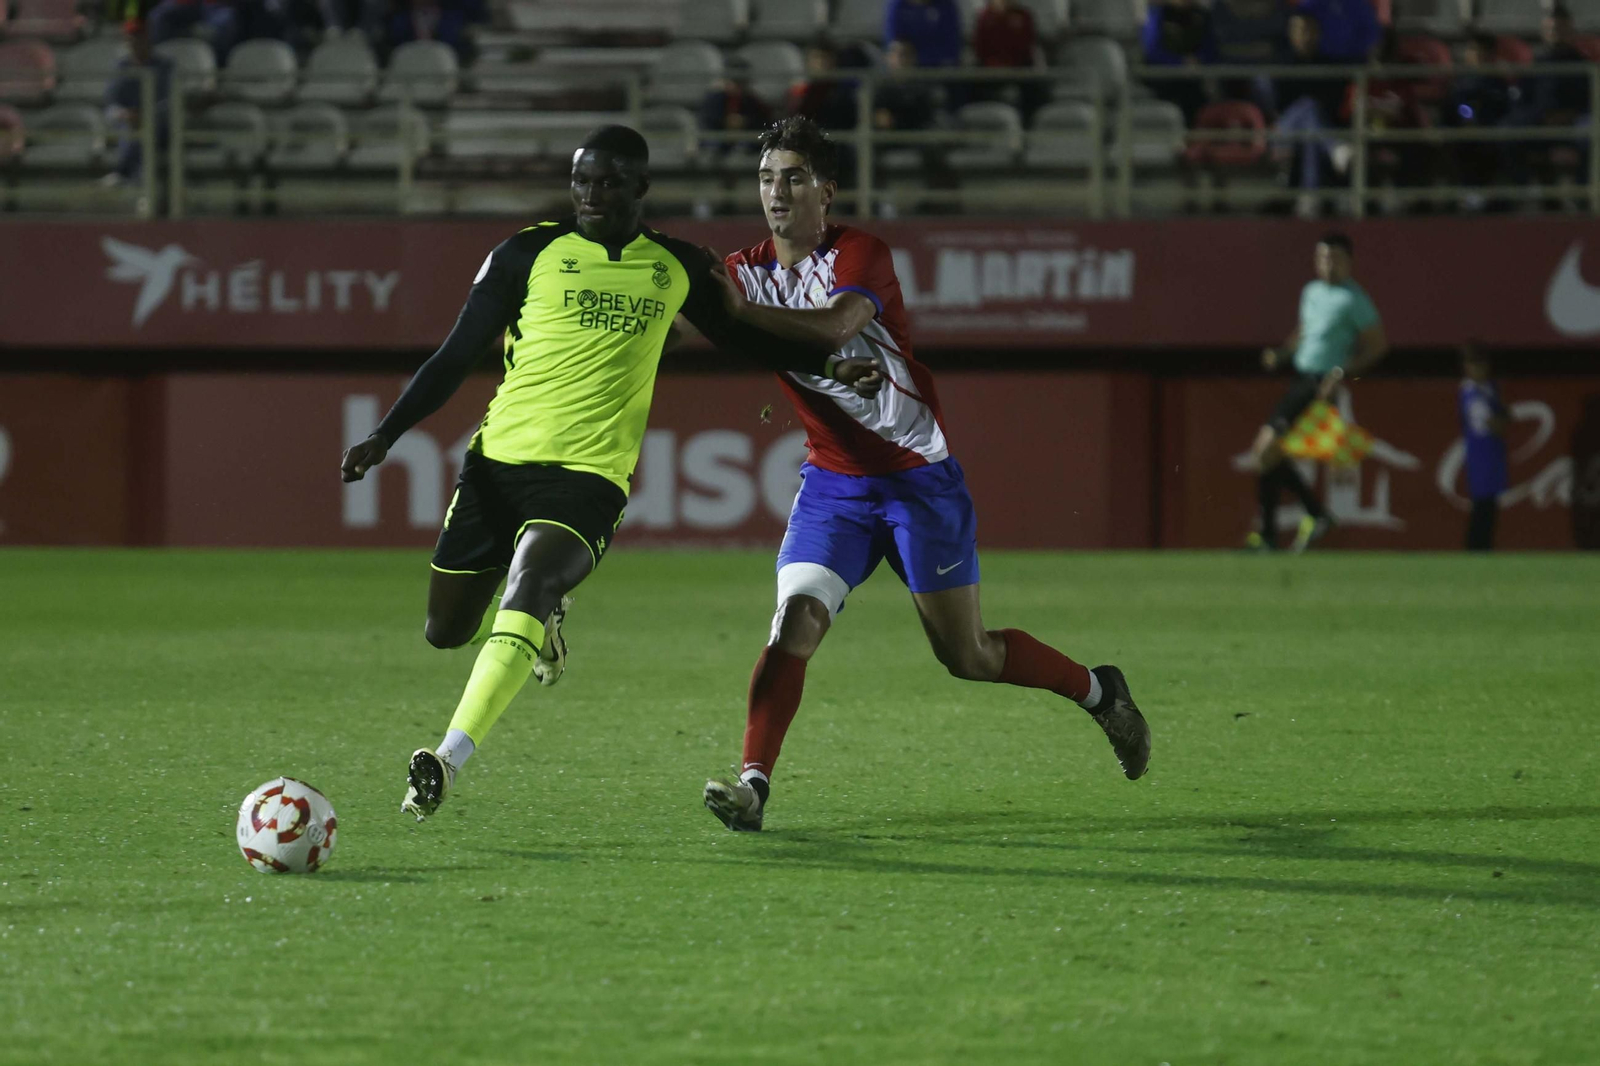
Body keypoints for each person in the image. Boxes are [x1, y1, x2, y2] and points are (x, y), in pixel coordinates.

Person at [338, 125, 883, 822]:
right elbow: (454, 356)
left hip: (591, 475)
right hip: (496, 467)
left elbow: (747, 336)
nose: (592, 195)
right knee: (445, 630)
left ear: (639, 189)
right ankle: (540, 625)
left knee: (530, 581)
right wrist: (386, 434)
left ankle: (446, 757)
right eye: (581, 183)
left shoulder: (677, 266)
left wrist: (834, 365)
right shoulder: (526, 253)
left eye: (607, 183)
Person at [700, 117, 1152, 833]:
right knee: (795, 623)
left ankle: (1102, 693)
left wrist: (744, 321)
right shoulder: (743, 271)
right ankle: (754, 786)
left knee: (966, 656)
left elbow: (831, 330)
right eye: (765, 178)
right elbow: (687, 303)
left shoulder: (860, 253)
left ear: (827, 190)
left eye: (792, 177)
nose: (776, 192)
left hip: (918, 482)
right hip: (834, 486)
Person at [1248, 232, 1387, 552]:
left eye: (1335, 258)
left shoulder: (1355, 300)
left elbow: (1377, 346)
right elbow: (1305, 331)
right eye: (1323, 258)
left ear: (1349, 262)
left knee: (1265, 452)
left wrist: (1342, 372)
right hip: (1300, 378)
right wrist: (1282, 353)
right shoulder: (1311, 291)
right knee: (1268, 455)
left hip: (1320, 386)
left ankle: (1282, 529)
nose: (1328, 264)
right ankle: (1295, 524)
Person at [1272, 12, 1348, 218]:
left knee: (1311, 134)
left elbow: (1334, 104)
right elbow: (1277, 107)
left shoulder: (1328, 66)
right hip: (1285, 130)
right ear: (1291, 34)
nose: (1305, 35)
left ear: (1318, 33)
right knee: (1309, 106)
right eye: (1300, 30)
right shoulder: (1281, 64)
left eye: (1309, 30)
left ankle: (1310, 198)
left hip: (1314, 130)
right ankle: (1335, 149)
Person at [102, 19, 175, 186]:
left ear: (148, 38)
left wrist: (147, 115)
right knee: (130, 127)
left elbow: (171, 101)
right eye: (131, 37)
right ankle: (140, 179)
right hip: (129, 122)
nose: (135, 41)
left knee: (146, 126)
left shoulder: (165, 65)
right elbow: (111, 103)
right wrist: (124, 114)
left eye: (139, 36)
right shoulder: (122, 67)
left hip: (161, 125)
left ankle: (124, 173)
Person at [1458, 343, 1509, 551]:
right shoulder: (1470, 393)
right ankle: (1475, 549)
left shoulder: (1490, 388)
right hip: (1480, 454)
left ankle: (1485, 548)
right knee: (1481, 505)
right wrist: (1502, 419)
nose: (1477, 369)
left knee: (1490, 505)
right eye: (1473, 364)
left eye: (1481, 364)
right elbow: (1494, 424)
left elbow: (1503, 418)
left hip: (1494, 453)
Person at [1140, 0, 1217, 124]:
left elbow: (1211, 49)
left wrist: (1198, 60)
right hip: (1162, 77)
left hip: (1194, 78)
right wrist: (1180, 62)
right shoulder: (1158, 14)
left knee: (1199, 99)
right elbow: (1152, 51)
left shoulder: (1202, 16)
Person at [973, 0, 1044, 116]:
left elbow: (1026, 47)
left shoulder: (1024, 15)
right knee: (972, 84)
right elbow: (980, 48)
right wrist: (998, 17)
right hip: (991, 68)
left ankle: (1030, 126)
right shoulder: (985, 16)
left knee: (1036, 87)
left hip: (1018, 68)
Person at [884, 0, 964, 68]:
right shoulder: (897, 6)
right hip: (904, 74)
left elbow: (952, 49)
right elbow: (893, 45)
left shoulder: (946, 6)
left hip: (940, 72)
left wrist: (917, 57)